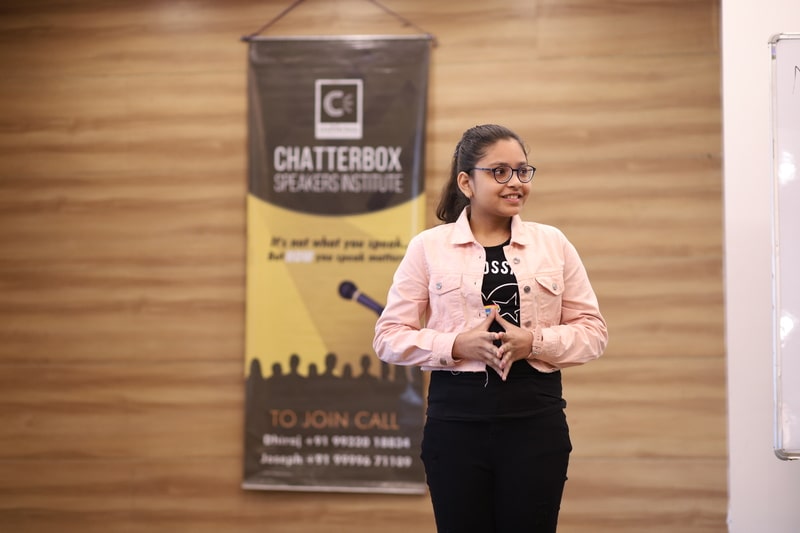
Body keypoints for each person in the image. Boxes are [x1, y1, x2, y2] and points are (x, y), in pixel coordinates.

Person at [373, 124, 608, 532]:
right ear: (466, 182)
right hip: (456, 426)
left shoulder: (553, 243)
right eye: (500, 171)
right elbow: (389, 337)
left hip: (536, 424)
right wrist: (456, 345)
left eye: (522, 171)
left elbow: (593, 332)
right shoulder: (428, 248)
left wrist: (533, 342)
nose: (515, 182)